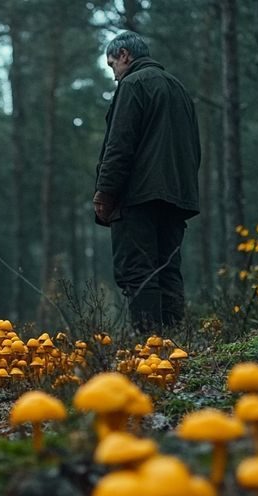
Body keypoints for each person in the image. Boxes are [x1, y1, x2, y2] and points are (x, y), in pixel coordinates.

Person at [93, 31, 201, 333]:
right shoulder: (178, 88)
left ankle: (149, 350)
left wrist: (105, 193)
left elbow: (119, 145)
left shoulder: (132, 84)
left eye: (112, 64)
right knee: (168, 270)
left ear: (125, 55)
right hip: (176, 196)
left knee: (138, 271)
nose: (114, 74)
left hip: (139, 196)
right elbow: (195, 147)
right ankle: (175, 344)